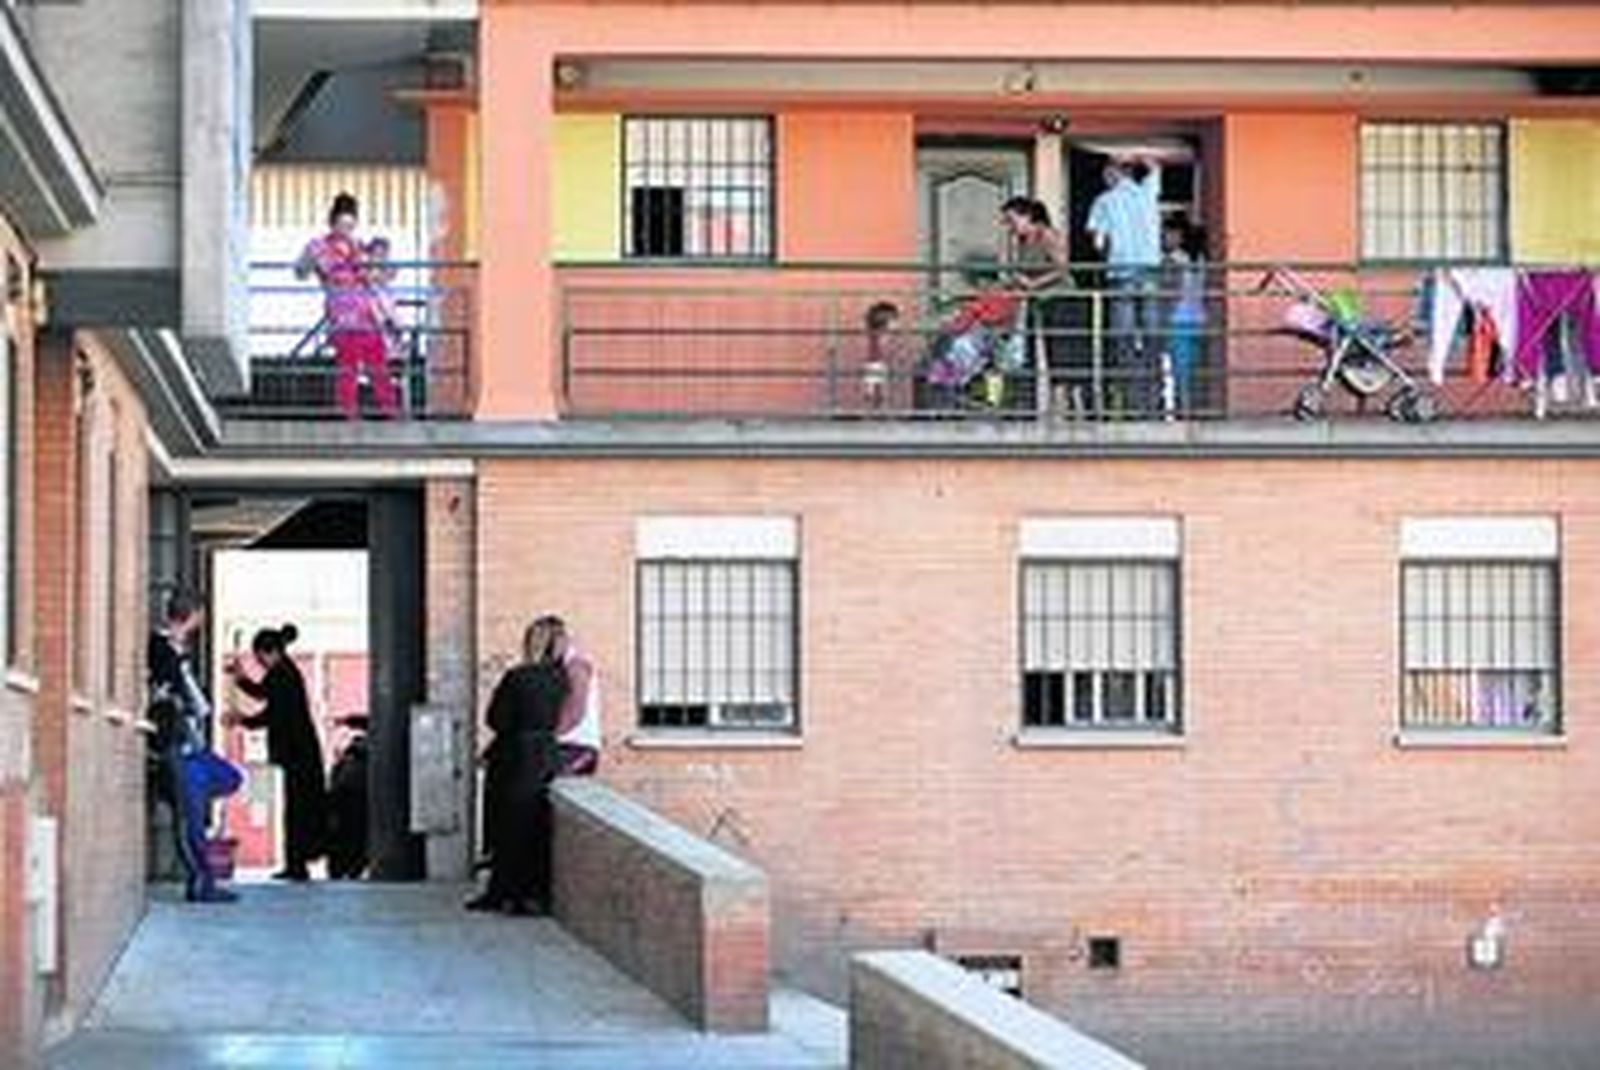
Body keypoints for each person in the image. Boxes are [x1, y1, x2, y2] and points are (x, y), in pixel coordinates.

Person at [468, 618, 568, 915]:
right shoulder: (561, 679)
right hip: (547, 754)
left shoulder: (518, 676)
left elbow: (496, 719)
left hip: (514, 756)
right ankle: (528, 896)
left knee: (506, 826)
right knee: (535, 827)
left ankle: (502, 893)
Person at [148, 591, 240, 903]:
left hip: (190, 741)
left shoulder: (176, 649)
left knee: (230, 778)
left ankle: (182, 798)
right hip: (174, 741)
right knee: (190, 817)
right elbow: (164, 695)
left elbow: (193, 699)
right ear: (193, 615)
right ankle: (201, 882)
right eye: (200, 614)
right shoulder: (160, 648)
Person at [223, 626, 327, 882]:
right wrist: (240, 678)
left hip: (298, 753)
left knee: (298, 811)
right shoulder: (283, 672)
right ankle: (296, 863)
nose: (260, 664)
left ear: (271, 653)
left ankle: (297, 865)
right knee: (297, 809)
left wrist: (242, 719)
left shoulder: (283, 675)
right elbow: (262, 692)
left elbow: (272, 713)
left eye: (260, 658)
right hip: (300, 753)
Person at [294, 193, 400, 420]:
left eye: (351, 225)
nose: (346, 230)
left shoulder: (360, 246)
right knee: (349, 364)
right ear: (333, 222)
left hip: (367, 314)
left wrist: (377, 266)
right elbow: (300, 270)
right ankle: (349, 413)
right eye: (343, 224)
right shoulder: (319, 246)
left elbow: (387, 273)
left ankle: (391, 412)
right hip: (342, 313)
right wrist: (312, 265)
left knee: (377, 362)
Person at [1001, 197, 1092, 414]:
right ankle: (1049, 407)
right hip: (1039, 302)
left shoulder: (1047, 234)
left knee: (1065, 354)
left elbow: (1062, 267)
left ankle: (1071, 407)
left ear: (1027, 217)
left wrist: (1032, 284)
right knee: (1042, 353)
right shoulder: (1021, 241)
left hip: (1063, 301)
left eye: (1011, 220)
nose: (1009, 226)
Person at [1086, 158, 1164, 414]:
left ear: (1112, 174)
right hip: (1150, 270)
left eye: (1106, 173)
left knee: (1123, 338)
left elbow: (1098, 242)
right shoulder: (1148, 191)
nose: (1103, 178)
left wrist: (1104, 254)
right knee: (1152, 336)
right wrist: (1139, 157)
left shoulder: (1104, 200)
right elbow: (1155, 167)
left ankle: (1132, 404)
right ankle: (1152, 402)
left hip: (1121, 272)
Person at [925, 261, 1022, 408]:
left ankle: (952, 385)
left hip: (991, 339)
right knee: (949, 346)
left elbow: (994, 319)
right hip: (977, 337)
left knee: (959, 349)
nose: (979, 285)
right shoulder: (983, 297)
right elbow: (965, 320)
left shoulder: (1002, 297)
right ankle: (948, 384)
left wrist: (973, 313)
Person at [1160, 215, 1209, 418]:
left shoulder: (1173, 260)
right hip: (1199, 320)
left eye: (1166, 234)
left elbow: (1171, 293)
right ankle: (1194, 413)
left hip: (1177, 321)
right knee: (1194, 373)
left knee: (1179, 374)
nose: (1163, 238)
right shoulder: (1200, 259)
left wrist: (1162, 317)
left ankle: (1183, 415)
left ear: (1178, 235)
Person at [546, 616, 600, 777]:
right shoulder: (560, 667)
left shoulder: (576, 667)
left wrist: (545, 737)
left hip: (577, 748)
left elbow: (574, 714)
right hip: (563, 745)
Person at [325, 714, 370, 880]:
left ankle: (349, 866)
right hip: (349, 797)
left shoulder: (351, 761)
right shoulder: (349, 762)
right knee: (350, 835)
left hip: (352, 797)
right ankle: (350, 866)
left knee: (350, 835)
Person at [861, 301, 902, 411]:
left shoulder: (880, 334)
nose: (897, 324)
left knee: (877, 387)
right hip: (875, 363)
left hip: (878, 363)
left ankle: (876, 409)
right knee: (874, 388)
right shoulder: (878, 335)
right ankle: (873, 409)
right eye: (894, 321)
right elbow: (880, 351)